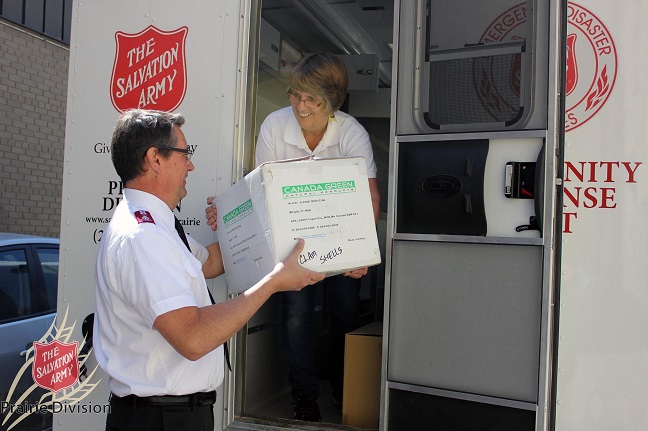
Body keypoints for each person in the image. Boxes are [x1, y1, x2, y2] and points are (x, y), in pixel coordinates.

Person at [93, 109, 325, 431]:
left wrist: (236, 221)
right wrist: (273, 282)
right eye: (184, 154)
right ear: (154, 159)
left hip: (172, 415)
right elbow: (193, 337)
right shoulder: (142, 236)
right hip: (159, 419)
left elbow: (212, 263)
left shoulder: (157, 225)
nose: (191, 165)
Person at [206, 52, 380, 422]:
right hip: (293, 244)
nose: (300, 106)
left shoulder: (351, 132)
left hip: (340, 241)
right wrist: (228, 215)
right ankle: (305, 399)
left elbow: (369, 196)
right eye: (295, 95)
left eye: (310, 99)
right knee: (298, 316)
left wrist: (360, 253)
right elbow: (260, 192)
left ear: (332, 102)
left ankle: (344, 390)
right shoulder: (274, 126)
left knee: (344, 312)